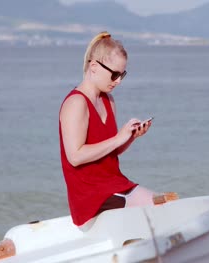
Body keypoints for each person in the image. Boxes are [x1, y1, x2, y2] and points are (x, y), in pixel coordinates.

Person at [58, 31, 158, 229]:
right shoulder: (76, 103)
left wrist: (129, 138)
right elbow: (75, 156)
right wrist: (118, 138)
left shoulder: (108, 100)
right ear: (94, 67)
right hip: (91, 196)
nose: (118, 80)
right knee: (159, 209)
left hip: (114, 185)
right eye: (114, 74)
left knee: (166, 203)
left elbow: (108, 151)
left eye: (122, 75)